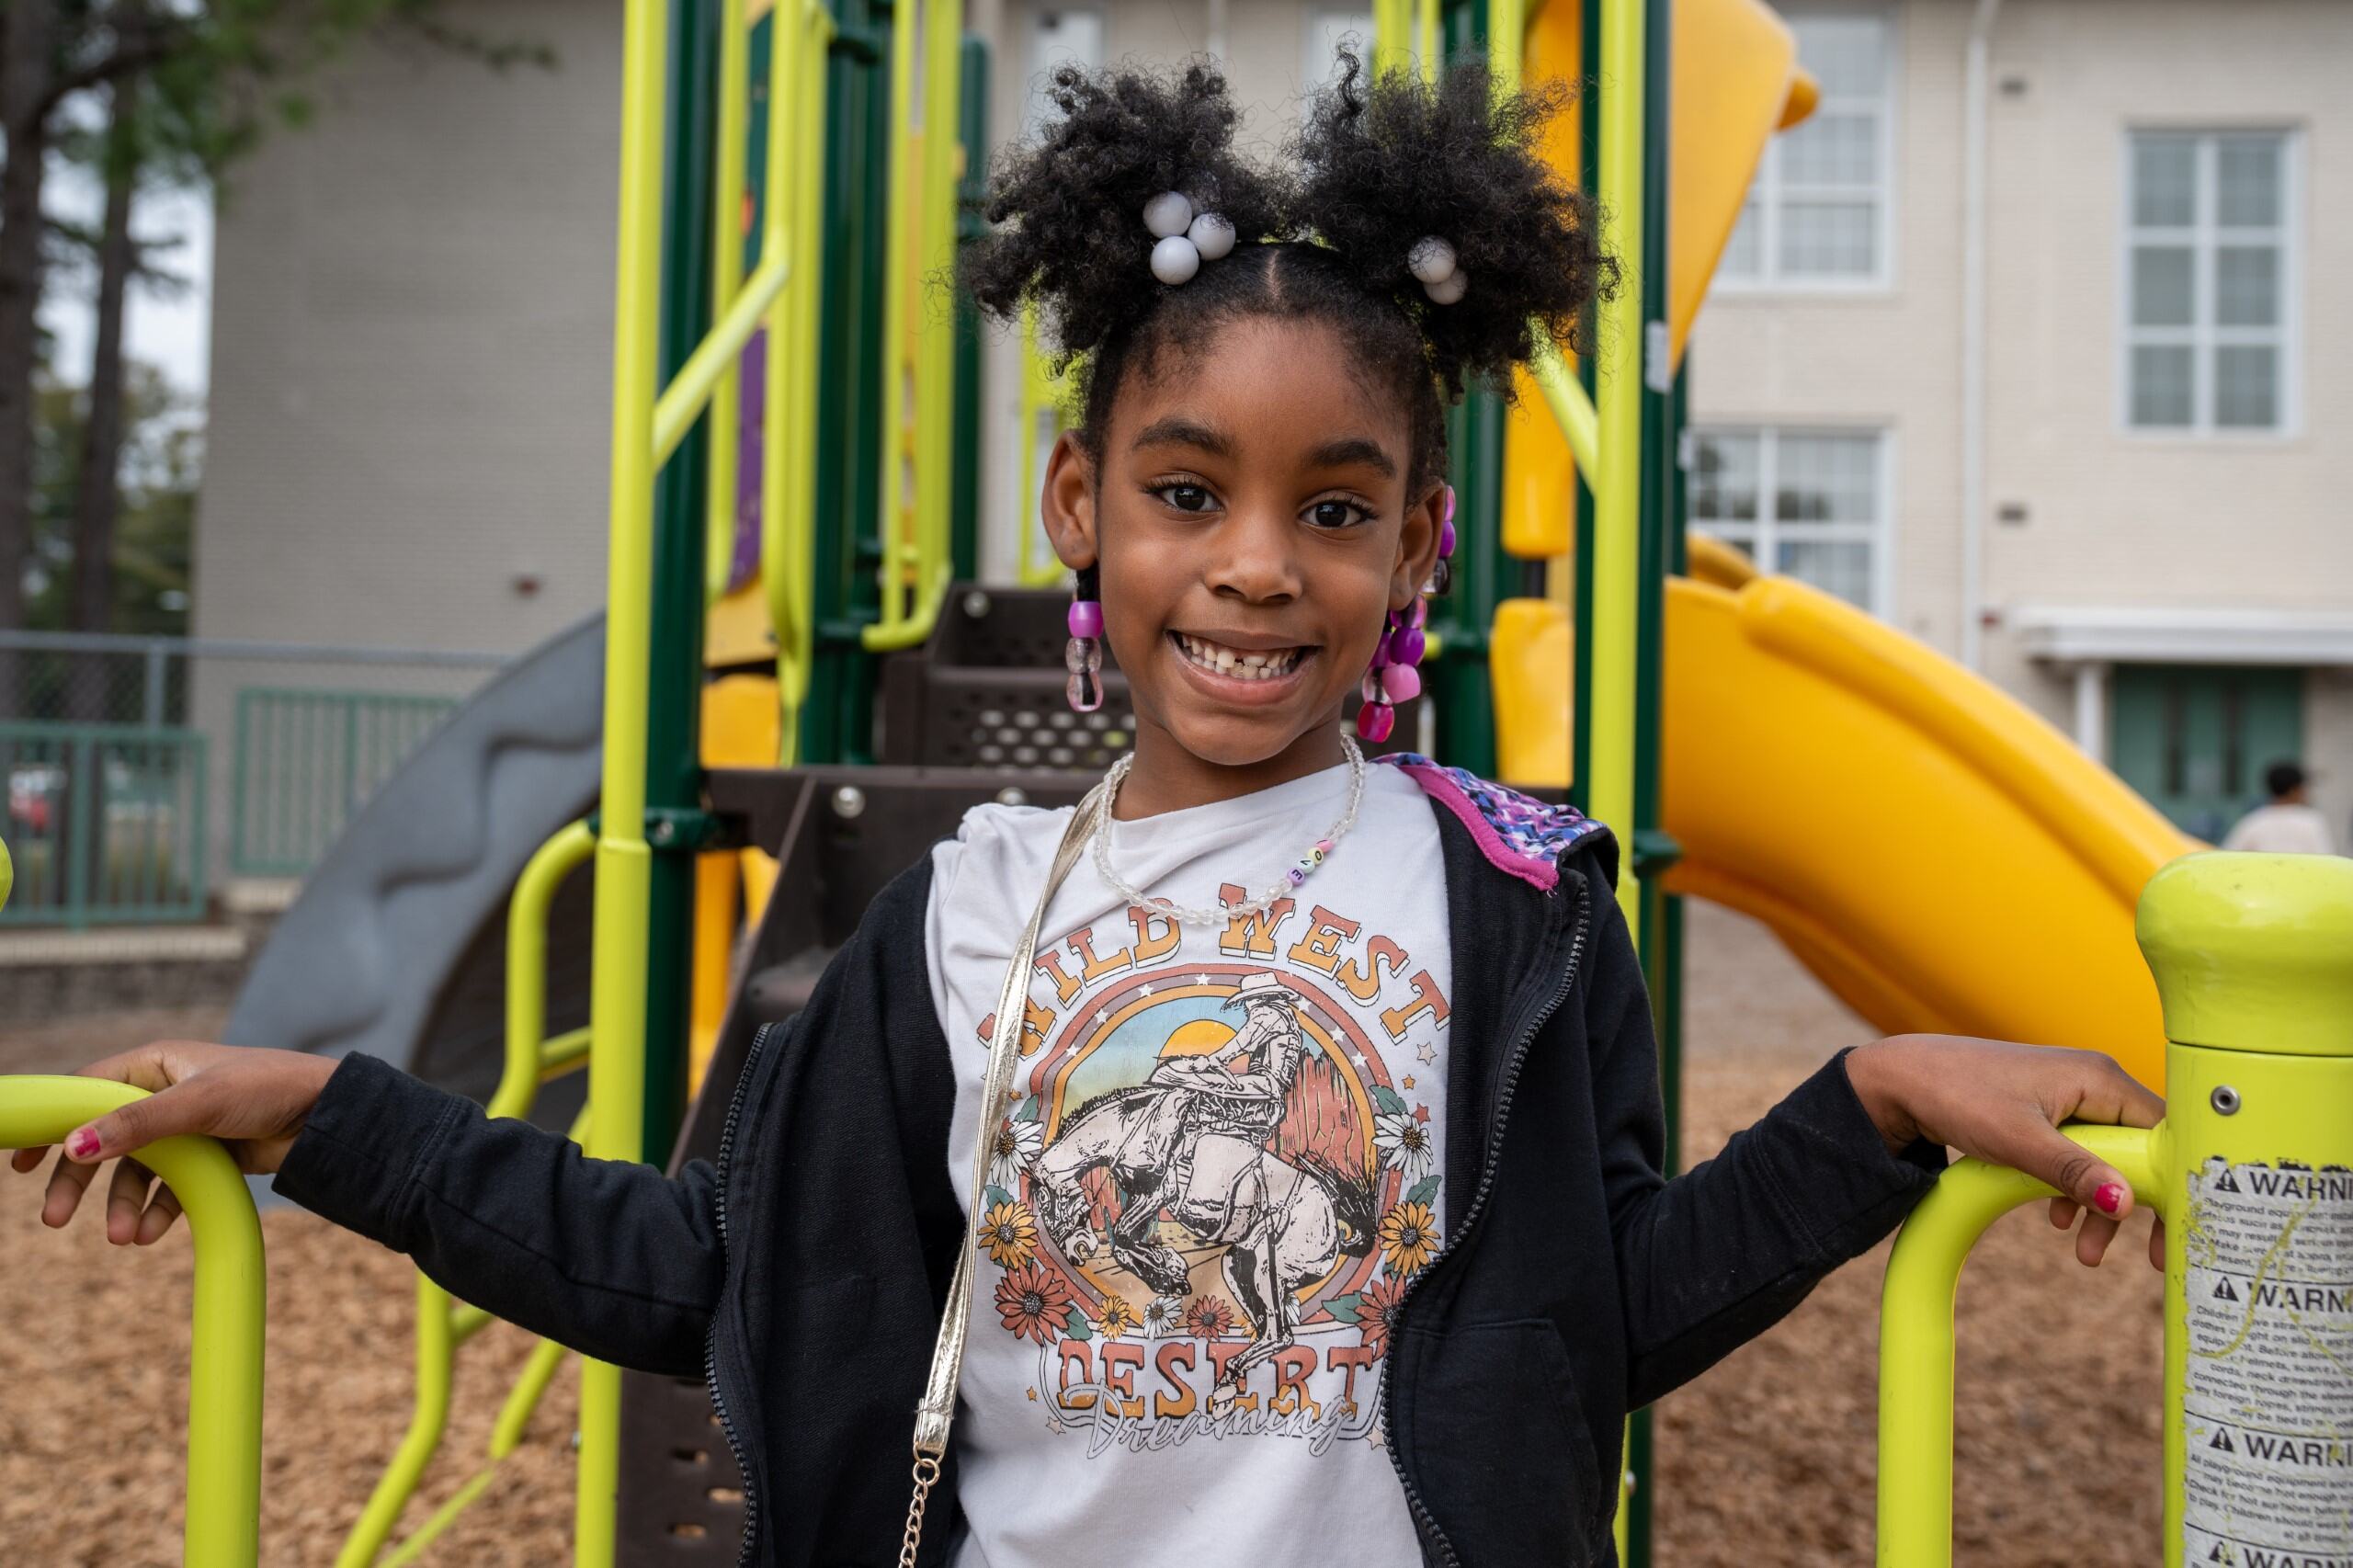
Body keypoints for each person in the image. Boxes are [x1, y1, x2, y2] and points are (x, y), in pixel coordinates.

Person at [8, 58, 2164, 1568]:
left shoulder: (1516, 907)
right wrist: (335, 1113)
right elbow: (715, 1280)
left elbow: (1592, 1325)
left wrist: (1863, 1104)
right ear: (1081, 508)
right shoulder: (953, 916)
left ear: (1412, 546)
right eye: (1182, 489)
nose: (1252, 563)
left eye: (1331, 507)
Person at [2221, 759, 2336, 855]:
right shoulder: (2312, 821)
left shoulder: (2253, 821)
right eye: (2303, 787)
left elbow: (2228, 856)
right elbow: (2326, 859)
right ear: (2294, 790)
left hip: (2261, 882)